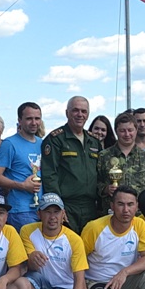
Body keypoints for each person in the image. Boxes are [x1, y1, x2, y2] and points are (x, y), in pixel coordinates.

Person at [21, 193, 89, 289]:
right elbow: (27, 265)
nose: (52, 217)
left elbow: (79, 277)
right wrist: (30, 255)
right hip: (44, 288)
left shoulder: (74, 240)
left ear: (63, 214)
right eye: (47, 212)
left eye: (57, 212)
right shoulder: (27, 231)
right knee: (27, 279)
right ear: (39, 214)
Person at [41, 96, 101, 233]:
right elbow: (50, 174)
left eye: (84, 111)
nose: (80, 115)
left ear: (88, 115)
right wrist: (57, 207)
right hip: (67, 205)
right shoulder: (56, 139)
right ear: (67, 113)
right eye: (75, 110)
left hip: (91, 206)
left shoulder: (94, 141)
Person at [0, 102, 44, 231]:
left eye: (37, 118)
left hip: (41, 209)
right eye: (29, 118)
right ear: (20, 120)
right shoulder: (9, 144)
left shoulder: (42, 143)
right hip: (20, 210)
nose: (34, 122)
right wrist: (22, 186)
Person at [96, 112, 145, 214]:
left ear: (136, 130)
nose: (127, 134)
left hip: (139, 215)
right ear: (116, 131)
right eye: (122, 131)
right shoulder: (103, 156)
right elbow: (95, 183)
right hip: (110, 213)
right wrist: (105, 189)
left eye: (130, 130)